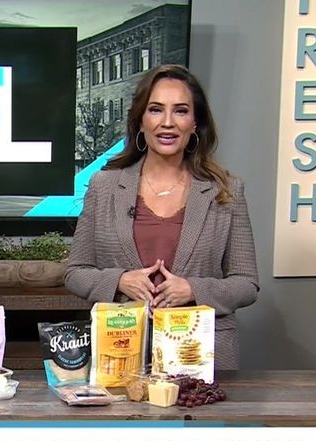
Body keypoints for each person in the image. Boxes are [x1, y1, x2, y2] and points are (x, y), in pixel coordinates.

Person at [65, 64, 258, 371]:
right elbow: (76, 272)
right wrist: (120, 281)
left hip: (200, 358)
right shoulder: (104, 186)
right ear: (140, 120)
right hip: (121, 355)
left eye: (180, 111)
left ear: (195, 123)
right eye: (156, 110)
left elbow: (246, 283)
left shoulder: (225, 191)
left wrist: (194, 290)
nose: (168, 122)